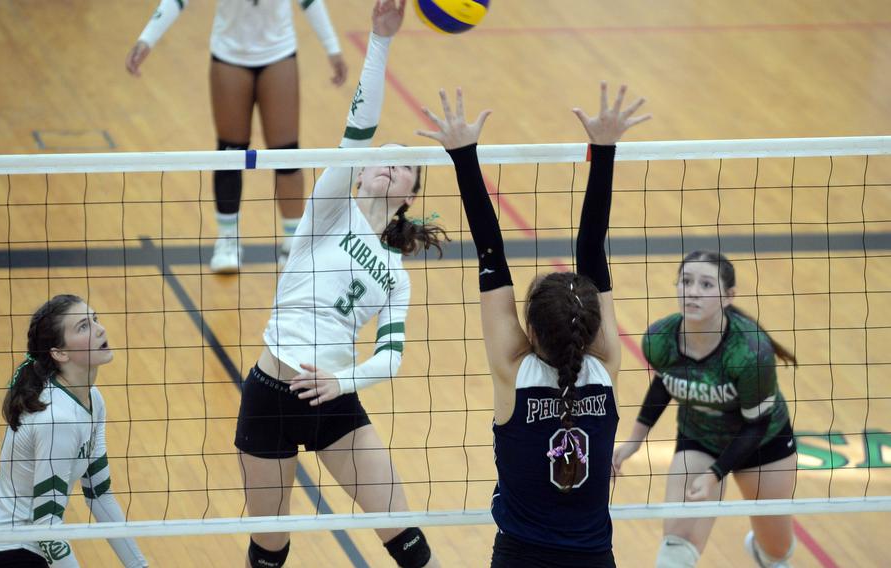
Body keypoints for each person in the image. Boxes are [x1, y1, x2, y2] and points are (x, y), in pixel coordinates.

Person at [233, 2, 443, 567]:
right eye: (383, 159)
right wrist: (380, 43)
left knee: (407, 539)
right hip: (272, 396)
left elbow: (392, 356)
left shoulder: (396, 276)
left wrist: (342, 381)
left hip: (335, 400)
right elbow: (357, 132)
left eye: (402, 168)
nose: (387, 165)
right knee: (269, 547)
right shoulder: (330, 211)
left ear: (407, 196)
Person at [416, 83, 650, 567]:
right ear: (591, 331)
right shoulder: (606, 365)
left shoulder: (513, 372)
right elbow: (592, 249)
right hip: (593, 558)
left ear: (531, 331)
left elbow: (490, 253)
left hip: (520, 556)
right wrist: (604, 150)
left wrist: (462, 155)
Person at [126, 0, 348, 273]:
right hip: (229, 56)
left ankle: (294, 242)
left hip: (278, 54)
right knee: (230, 153)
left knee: (287, 154)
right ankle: (228, 241)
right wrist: (146, 39)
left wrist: (333, 48)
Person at [612, 251, 799, 568]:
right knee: (674, 552)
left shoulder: (750, 353)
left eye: (706, 284)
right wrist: (634, 440)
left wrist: (714, 477)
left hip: (763, 444)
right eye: (686, 281)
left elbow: (755, 426)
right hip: (701, 438)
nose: (693, 291)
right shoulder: (660, 338)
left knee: (777, 553)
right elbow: (665, 382)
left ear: (728, 297)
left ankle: (765, 552)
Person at [0, 294, 148, 568]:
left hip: (30, 544)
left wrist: (139, 565)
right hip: (8, 550)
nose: (100, 329)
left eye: (95, 320)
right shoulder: (58, 420)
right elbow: (47, 529)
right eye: (84, 326)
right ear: (60, 353)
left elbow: (99, 493)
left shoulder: (93, 399)